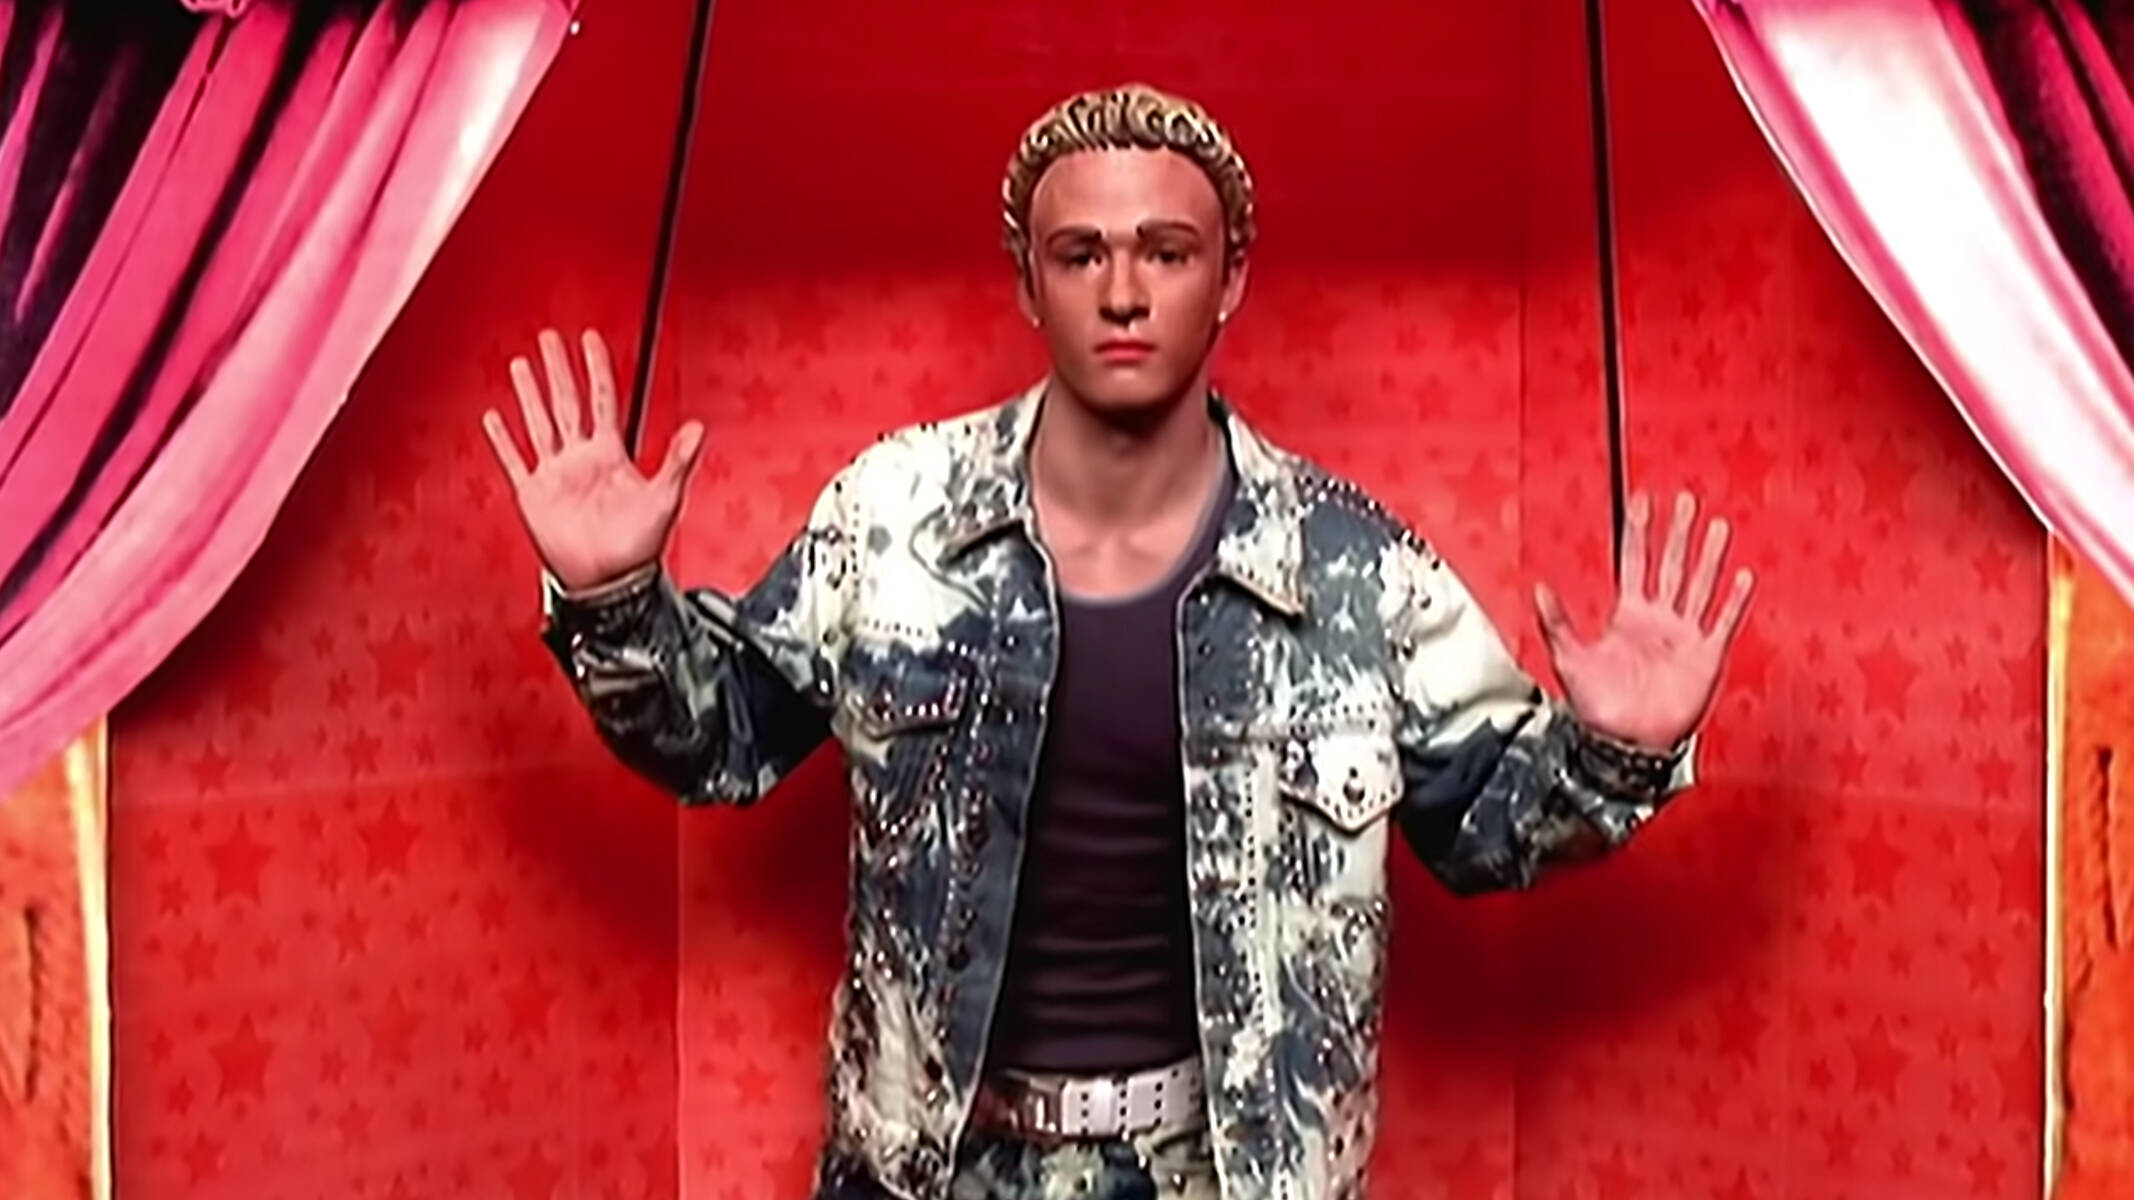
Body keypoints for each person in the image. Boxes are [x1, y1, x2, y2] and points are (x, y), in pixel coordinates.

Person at [481, 84, 1753, 1200]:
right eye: (1080, 252)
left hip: (1223, 1171)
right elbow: (717, 738)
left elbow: (1487, 824)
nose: (1124, 291)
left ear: (1230, 280)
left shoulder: (1351, 568)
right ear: (1026, 281)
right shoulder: (890, 518)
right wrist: (614, 599)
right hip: (931, 1168)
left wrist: (1613, 754)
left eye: (1167, 251)